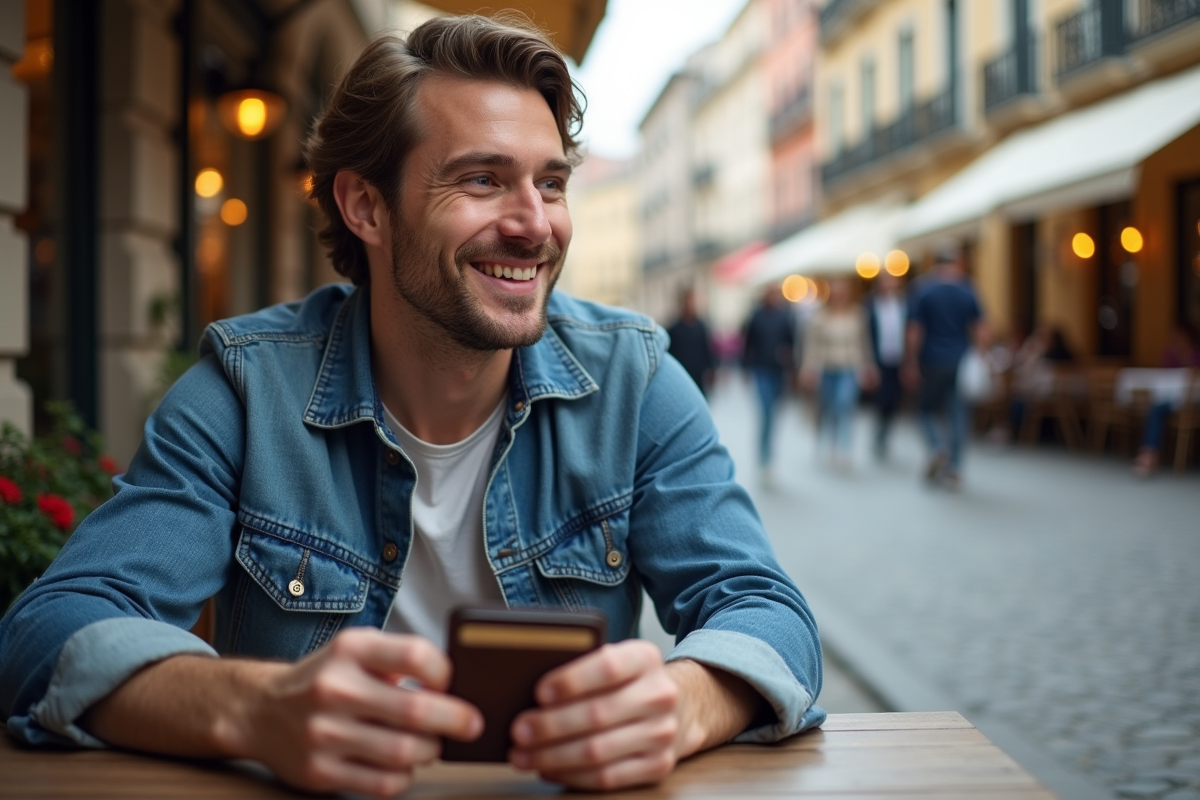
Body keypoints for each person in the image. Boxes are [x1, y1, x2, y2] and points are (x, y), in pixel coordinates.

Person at [0, 16, 823, 798]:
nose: (535, 225)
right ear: (365, 208)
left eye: (551, 183)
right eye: (482, 179)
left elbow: (768, 613)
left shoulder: (634, 382)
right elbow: (50, 632)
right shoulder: (248, 390)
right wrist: (254, 709)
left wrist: (681, 706)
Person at [904, 248, 986, 491]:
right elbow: (982, 328)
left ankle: (938, 447)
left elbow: (914, 330)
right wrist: (980, 357)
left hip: (933, 360)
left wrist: (910, 361)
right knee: (958, 413)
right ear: (957, 262)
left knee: (925, 409)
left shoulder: (923, 289)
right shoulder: (967, 288)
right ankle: (955, 468)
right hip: (960, 360)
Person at [800, 277, 876, 469]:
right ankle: (826, 444)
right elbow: (811, 345)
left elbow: (864, 343)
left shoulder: (857, 314)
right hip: (826, 367)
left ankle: (844, 448)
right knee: (827, 408)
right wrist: (808, 368)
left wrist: (869, 366)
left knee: (844, 405)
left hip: (849, 366)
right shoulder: (819, 317)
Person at [741, 286, 797, 484]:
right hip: (761, 369)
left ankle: (769, 459)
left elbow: (791, 342)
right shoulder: (756, 316)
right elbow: (747, 343)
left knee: (773, 416)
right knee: (765, 415)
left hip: (778, 371)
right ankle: (764, 461)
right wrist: (745, 369)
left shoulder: (785, 316)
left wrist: (791, 366)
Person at [1132, 325, 1200, 477]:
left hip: (1195, 401)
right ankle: (1149, 454)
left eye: (1180, 337)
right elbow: (1165, 378)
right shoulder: (1171, 354)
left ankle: (1149, 455)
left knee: (1155, 409)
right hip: (1172, 400)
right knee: (1154, 409)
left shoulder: (1196, 353)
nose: (1177, 340)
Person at [865, 272, 907, 458]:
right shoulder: (870, 305)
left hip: (898, 358)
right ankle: (879, 434)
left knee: (894, 399)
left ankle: (885, 432)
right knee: (881, 398)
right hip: (878, 359)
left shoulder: (903, 304)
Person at [666, 288, 718, 397]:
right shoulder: (674, 329)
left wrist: (712, 369)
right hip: (681, 375)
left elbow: (707, 349)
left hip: (699, 374)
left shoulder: (701, 326)